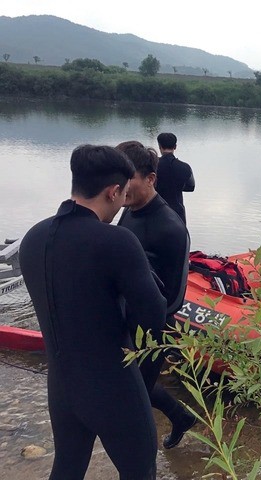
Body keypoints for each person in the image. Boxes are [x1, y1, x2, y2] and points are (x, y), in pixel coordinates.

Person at [19, 145, 166, 480]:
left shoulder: (33, 238)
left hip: (61, 386)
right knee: (140, 472)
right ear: (113, 191)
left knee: (68, 468)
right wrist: (140, 387)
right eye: (124, 194)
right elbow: (154, 319)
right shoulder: (117, 242)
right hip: (113, 385)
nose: (122, 203)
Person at [116, 141, 196, 449]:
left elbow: (175, 297)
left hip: (151, 329)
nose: (119, 187)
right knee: (139, 387)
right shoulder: (130, 210)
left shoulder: (171, 227)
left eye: (127, 178)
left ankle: (142, 455)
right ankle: (181, 417)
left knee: (136, 392)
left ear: (150, 179)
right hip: (125, 320)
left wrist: (143, 325)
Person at [155, 132, 195, 224]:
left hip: (156, 210)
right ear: (175, 146)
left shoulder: (152, 165)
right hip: (177, 212)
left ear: (159, 146)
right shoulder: (185, 167)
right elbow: (191, 187)